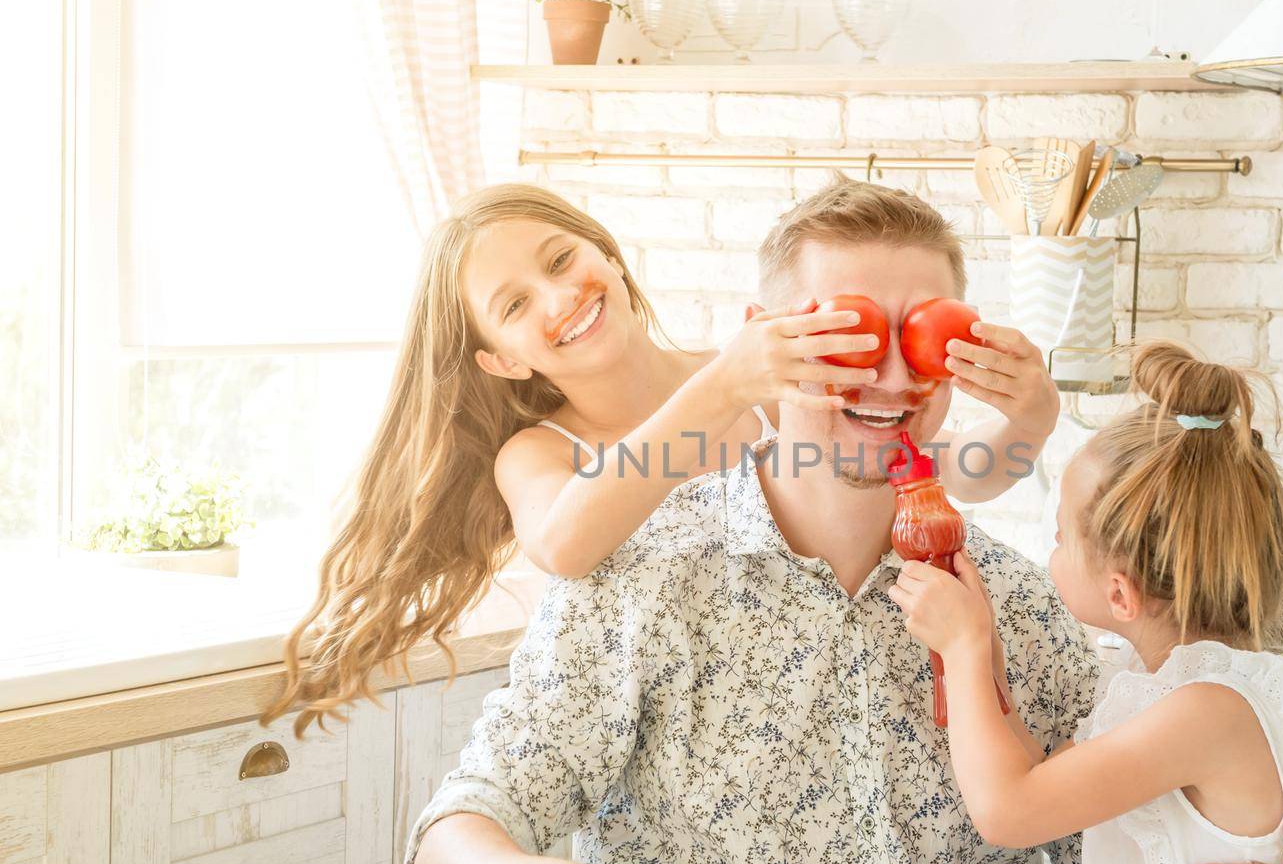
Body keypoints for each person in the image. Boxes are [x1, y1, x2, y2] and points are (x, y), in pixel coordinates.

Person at [401, 180, 1283, 864]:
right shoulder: (642, 583)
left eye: (927, 338)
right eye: (847, 335)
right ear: (766, 344)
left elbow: (1160, 860)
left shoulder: (1022, 609)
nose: (894, 377)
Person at [266, 182, 1060, 734]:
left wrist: (1034, 416)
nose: (558, 298)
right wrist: (724, 384)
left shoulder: (757, 381)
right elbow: (568, 542)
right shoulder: (541, 451)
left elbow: (947, 470)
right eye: (513, 306)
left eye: (559, 261)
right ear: (502, 360)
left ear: (608, 257)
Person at [890, 341, 1283, 864]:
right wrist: (987, 657)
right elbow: (1043, 784)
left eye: (1057, 537)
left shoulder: (1208, 711)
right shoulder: (1162, 683)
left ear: (1119, 595)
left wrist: (962, 652)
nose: (1049, 553)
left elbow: (1010, 813)